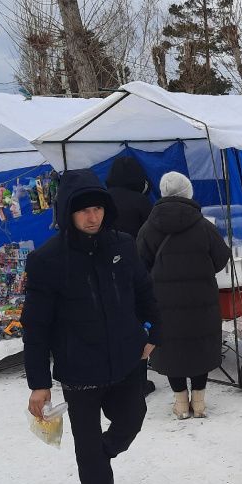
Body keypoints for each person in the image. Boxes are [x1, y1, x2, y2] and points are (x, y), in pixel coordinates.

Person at [22, 169, 159, 484]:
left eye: (97, 208)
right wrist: (39, 383)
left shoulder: (123, 245)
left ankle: (99, 456)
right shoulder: (47, 260)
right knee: (86, 437)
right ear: (68, 213)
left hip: (128, 357)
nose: (92, 217)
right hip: (79, 367)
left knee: (132, 418)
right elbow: (35, 326)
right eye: (83, 210)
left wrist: (154, 334)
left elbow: (146, 293)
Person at [136, 172, 230, 420]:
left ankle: (180, 404)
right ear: (188, 192)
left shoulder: (148, 228)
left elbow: (139, 266)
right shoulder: (204, 225)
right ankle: (198, 403)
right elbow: (221, 258)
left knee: (171, 349)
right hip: (202, 301)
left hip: (163, 303)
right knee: (200, 346)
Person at [104, 156, 158, 396]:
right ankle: (138, 381)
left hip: (103, 271)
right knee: (138, 325)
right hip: (135, 270)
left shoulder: (101, 201)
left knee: (109, 324)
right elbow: (153, 238)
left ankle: (113, 376)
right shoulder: (141, 202)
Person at [106, 155, 153, 237]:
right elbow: (151, 230)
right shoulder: (141, 200)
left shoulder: (103, 197)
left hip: (107, 247)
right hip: (135, 246)